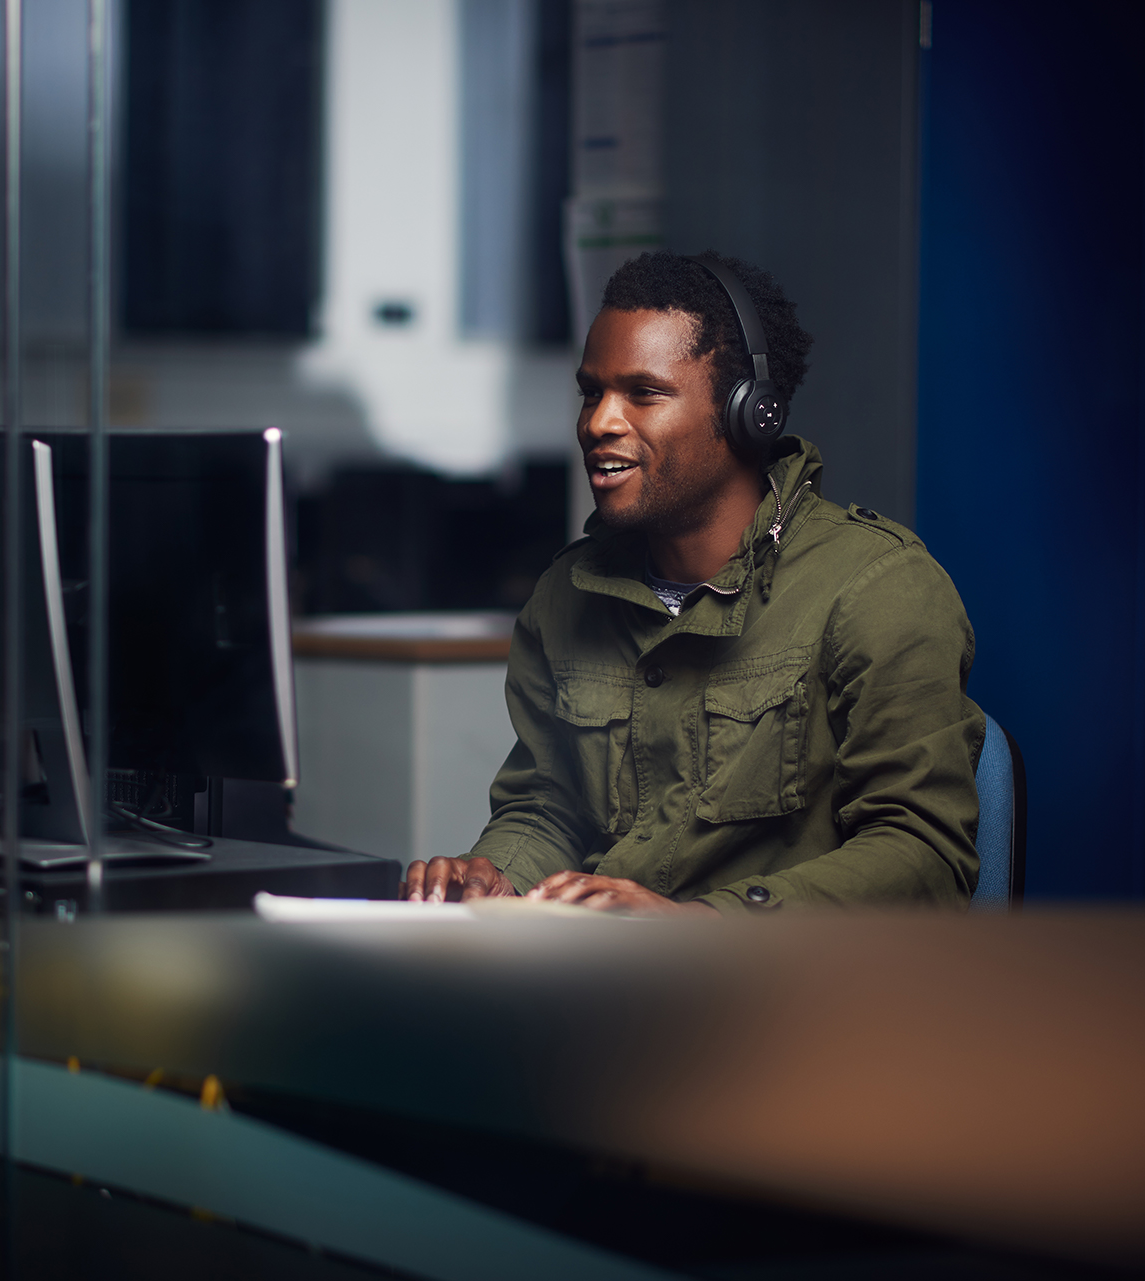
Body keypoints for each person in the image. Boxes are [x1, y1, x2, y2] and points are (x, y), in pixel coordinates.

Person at [401, 251, 983, 915]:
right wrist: (497, 875)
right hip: (604, 968)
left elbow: (923, 856)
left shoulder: (877, 589)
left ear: (748, 413)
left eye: (643, 393)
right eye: (592, 392)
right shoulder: (565, 595)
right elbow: (547, 805)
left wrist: (697, 925)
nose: (598, 422)